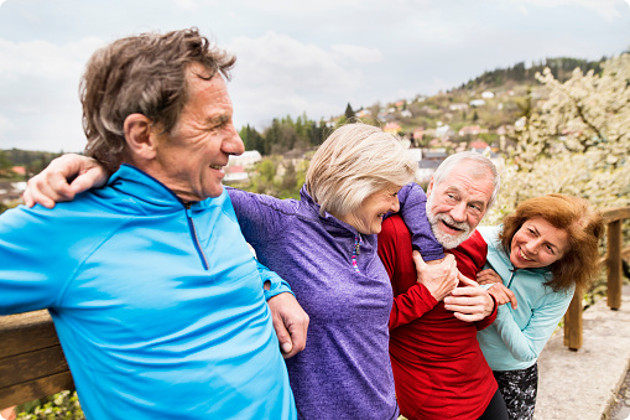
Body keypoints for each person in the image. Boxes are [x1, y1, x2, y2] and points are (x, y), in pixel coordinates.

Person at [23, 123, 494, 419]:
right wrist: (103, 165)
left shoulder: (368, 230)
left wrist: (436, 257)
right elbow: (181, 188)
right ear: (355, 185)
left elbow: (416, 195)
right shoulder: (280, 222)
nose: (397, 202)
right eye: (387, 191)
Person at [0, 28, 309, 419]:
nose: (236, 144)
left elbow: (230, 259)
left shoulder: (209, 198)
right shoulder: (62, 227)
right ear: (143, 135)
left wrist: (271, 286)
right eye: (215, 125)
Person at [377, 152, 509, 419]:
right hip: (431, 400)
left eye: (475, 206)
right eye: (452, 196)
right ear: (432, 186)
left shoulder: (475, 244)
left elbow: (461, 318)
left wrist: (489, 305)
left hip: (482, 387)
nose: (459, 215)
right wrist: (424, 294)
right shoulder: (391, 235)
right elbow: (366, 322)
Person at [475, 194, 603, 419]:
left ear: (565, 259)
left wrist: (497, 302)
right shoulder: (480, 241)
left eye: (550, 248)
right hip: (463, 364)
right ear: (520, 221)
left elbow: (527, 351)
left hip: (512, 376)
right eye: (531, 232)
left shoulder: (560, 286)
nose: (531, 248)